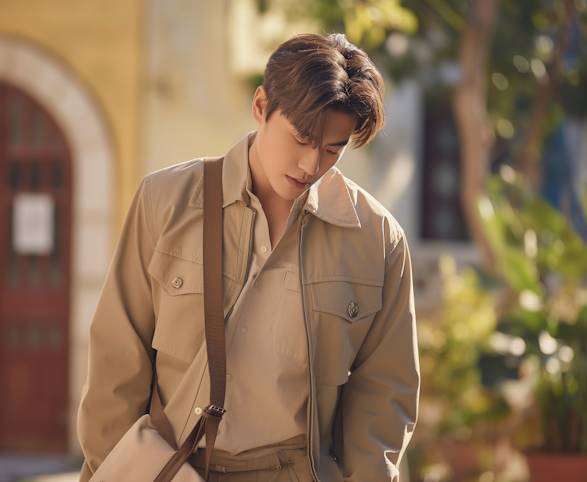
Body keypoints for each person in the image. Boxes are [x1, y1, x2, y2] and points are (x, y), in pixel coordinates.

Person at [77, 32, 420, 482]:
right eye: (301, 138)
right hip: (171, 468)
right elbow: (116, 361)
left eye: (333, 148)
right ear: (261, 106)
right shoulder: (165, 202)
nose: (311, 165)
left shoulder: (377, 241)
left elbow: (383, 396)